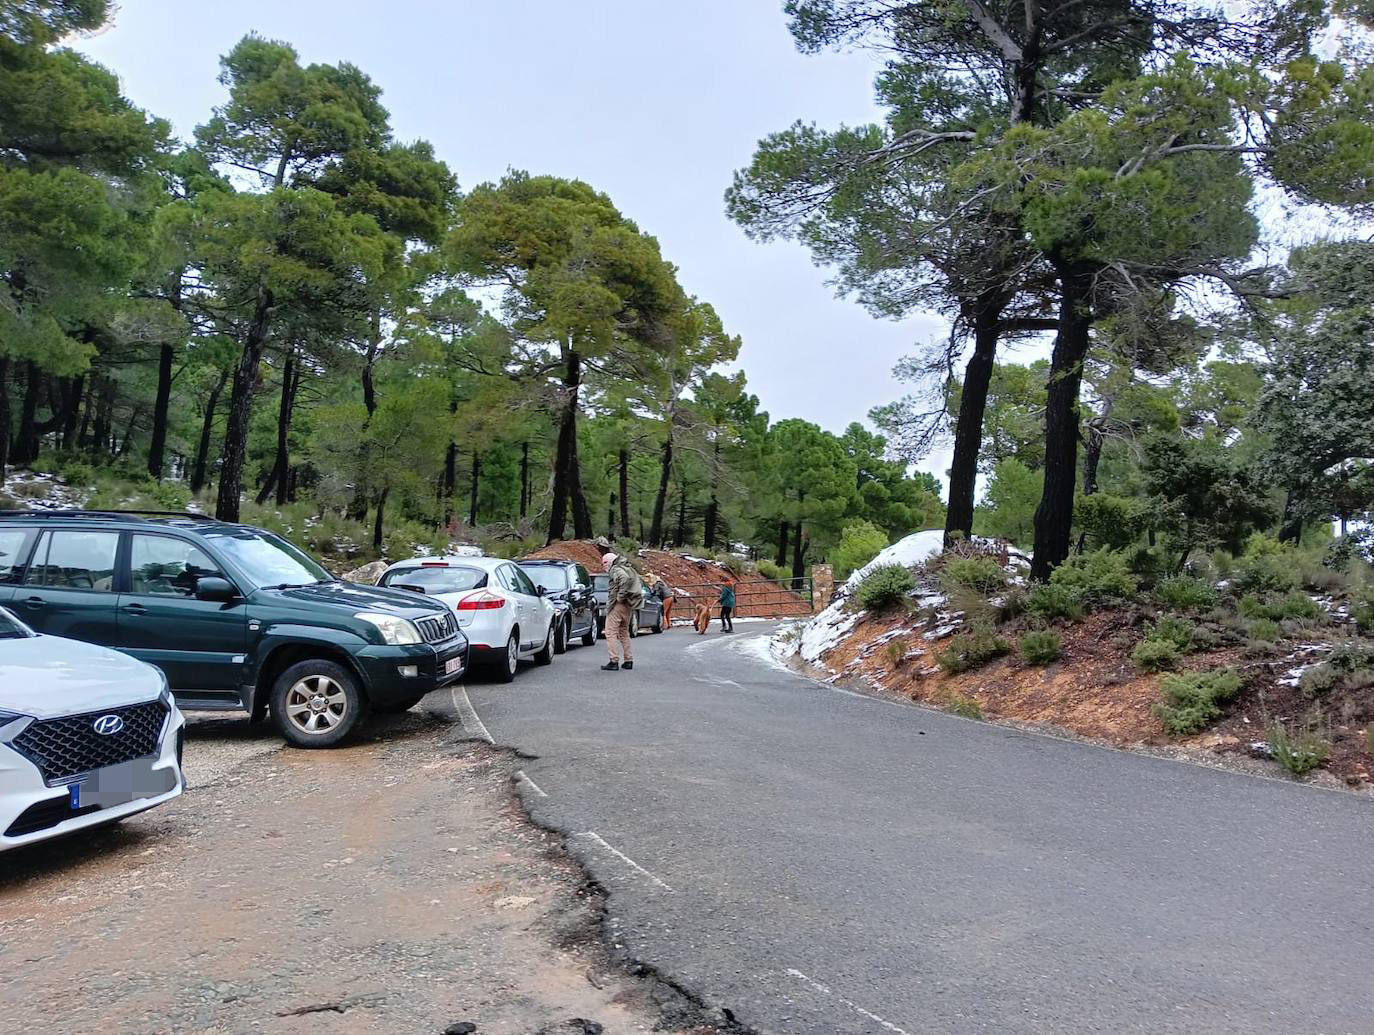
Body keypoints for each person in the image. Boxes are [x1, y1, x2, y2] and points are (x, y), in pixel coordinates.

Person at [602, 551, 644, 671]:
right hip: (628, 605)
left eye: (605, 563)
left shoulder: (616, 569)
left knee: (610, 632)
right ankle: (628, 660)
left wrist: (620, 597)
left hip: (618, 605)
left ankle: (613, 660)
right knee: (624, 632)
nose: (604, 566)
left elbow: (624, 579)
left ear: (610, 562)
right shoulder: (627, 567)